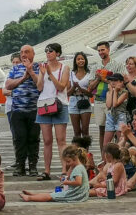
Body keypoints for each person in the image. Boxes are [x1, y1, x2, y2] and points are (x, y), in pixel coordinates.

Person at [36, 43, 70, 180]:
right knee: (47, 140)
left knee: (61, 140)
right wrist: (42, 75)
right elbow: (39, 88)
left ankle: (64, 170)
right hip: (44, 104)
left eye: (51, 51)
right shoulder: (43, 68)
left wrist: (50, 74)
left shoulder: (65, 68)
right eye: (46, 51)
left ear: (57, 53)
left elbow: (61, 87)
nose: (48, 53)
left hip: (60, 104)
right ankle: (47, 171)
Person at [5, 45, 40, 176]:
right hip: (17, 110)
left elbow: (40, 85)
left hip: (34, 110)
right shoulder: (15, 68)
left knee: (33, 139)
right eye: (22, 52)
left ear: (33, 54)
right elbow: (8, 85)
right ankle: (20, 166)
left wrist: (30, 71)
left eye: (27, 52)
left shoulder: (40, 67)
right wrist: (23, 78)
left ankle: (32, 166)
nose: (24, 54)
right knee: (19, 138)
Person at [88, 41, 125, 155]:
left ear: (108, 50)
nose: (100, 52)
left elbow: (120, 83)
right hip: (99, 100)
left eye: (102, 50)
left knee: (115, 131)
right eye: (99, 50)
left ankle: (116, 155)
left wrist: (104, 79)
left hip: (114, 101)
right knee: (102, 130)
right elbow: (90, 87)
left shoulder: (118, 65)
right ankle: (104, 156)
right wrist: (98, 79)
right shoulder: (95, 67)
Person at [19, 145, 89, 202]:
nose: (67, 164)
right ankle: (34, 195)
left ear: (75, 158)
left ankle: (30, 198)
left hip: (76, 195)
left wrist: (67, 182)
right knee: (53, 194)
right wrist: (66, 178)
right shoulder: (78, 166)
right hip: (79, 193)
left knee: (50, 197)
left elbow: (78, 182)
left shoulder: (78, 168)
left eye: (68, 161)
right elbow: (73, 178)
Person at [2, 52, 21, 170]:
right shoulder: (8, 75)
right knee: (15, 135)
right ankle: (18, 159)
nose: (15, 64)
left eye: (17, 62)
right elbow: (4, 92)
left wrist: (12, 91)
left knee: (26, 135)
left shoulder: (25, 74)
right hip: (11, 108)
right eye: (13, 62)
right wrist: (18, 92)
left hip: (25, 108)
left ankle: (27, 160)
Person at [67, 52, 93, 137]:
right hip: (73, 101)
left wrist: (81, 89)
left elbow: (91, 94)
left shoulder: (89, 74)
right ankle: (77, 150)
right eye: (78, 59)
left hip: (85, 100)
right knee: (76, 131)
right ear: (75, 61)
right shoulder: (71, 74)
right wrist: (74, 87)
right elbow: (68, 93)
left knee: (85, 130)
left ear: (85, 61)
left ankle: (86, 150)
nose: (80, 61)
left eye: (82, 59)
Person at [103, 73, 128, 152]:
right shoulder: (109, 92)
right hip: (111, 115)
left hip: (120, 115)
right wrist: (111, 92)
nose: (113, 82)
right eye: (111, 80)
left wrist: (116, 91)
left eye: (115, 80)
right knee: (106, 143)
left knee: (120, 141)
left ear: (121, 82)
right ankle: (105, 161)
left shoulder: (124, 92)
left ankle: (119, 160)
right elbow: (109, 105)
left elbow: (115, 104)